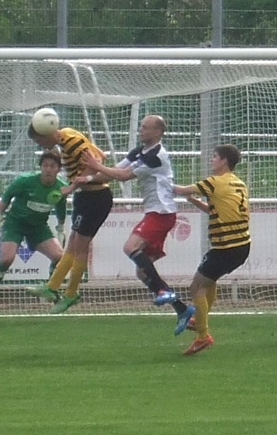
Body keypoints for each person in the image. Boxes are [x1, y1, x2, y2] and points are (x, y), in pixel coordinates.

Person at [78, 114, 194, 334]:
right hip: (157, 213)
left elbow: (123, 176)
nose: (141, 130)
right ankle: (182, 309)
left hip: (161, 212)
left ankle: (163, 292)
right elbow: (113, 172)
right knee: (142, 273)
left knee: (130, 247)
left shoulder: (156, 156)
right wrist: (88, 179)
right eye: (141, 126)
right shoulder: (139, 152)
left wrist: (96, 165)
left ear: (157, 132)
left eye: (145, 127)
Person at [24, 115, 113, 314]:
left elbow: (98, 161)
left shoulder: (70, 140)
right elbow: (100, 154)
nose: (41, 146)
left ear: (46, 134)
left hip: (96, 197)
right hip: (86, 196)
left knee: (80, 248)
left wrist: (71, 186)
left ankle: (71, 293)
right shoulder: (67, 138)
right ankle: (52, 286)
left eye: (40, 140)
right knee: (72, 245)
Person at [171, 144, 251, 356]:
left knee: (196, 286)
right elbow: (215, 210)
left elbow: (180, 190)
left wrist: (158, 180)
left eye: (214, 156)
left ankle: (202, 335)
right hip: (241, 245)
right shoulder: (238, 183)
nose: (211, 160)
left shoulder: (216, 182)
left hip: (227, 246)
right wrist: (194, 201)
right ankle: (200, 320)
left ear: (224, 161)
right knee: (209, 281)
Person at [0, 151, 68, 317]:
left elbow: (60, 207)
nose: (48, 169)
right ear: (40, 167)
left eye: (52, 166)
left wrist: (61, 228)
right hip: (15, 224)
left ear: (58, 169)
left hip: (38, 227)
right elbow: (7, 196)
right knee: (6, 259)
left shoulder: (61, 187)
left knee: (59, 257)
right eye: (45, 165)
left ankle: (52, 291)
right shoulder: (26, 181)